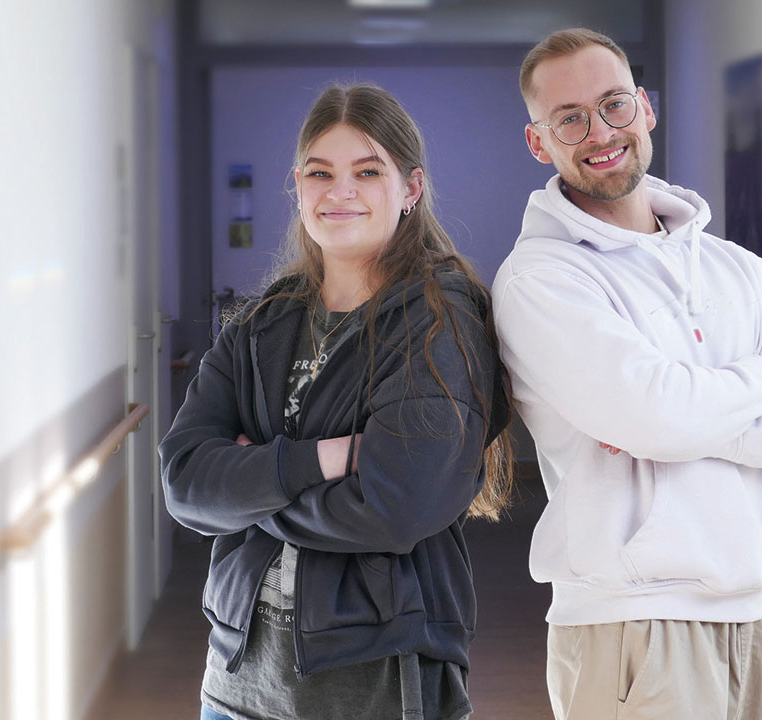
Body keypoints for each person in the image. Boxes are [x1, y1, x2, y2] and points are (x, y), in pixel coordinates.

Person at [490, 28, 762, 720]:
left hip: (753, 611)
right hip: (631, 624)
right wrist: (761, 377)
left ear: (645, 108)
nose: (599, 130)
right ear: (538, 142)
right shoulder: (542, 279)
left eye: (614, 105)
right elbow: (658, 417)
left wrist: (682, 420)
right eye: (569, 118)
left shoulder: (737, 269)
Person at [159, 83, 513, 720]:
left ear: (411, 189)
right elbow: (184, 482)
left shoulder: (440, 318)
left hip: (377, 684)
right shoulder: (260, 323)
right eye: (320, 173)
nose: (339, 191)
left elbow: (395, 505)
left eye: (367, 172)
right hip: (237, 681)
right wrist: (321, 460)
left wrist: (251, 489)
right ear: (297, 186)